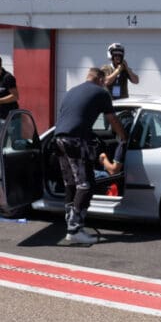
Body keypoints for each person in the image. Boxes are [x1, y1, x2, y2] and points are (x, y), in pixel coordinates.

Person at [54, 67, 126, 245]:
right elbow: (112, 119)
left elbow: (68, 116)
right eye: (104, 81)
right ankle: (75, 229)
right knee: (86, 184)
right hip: (76, 141)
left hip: (59, 139)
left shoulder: (71, 91)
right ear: (100, 79)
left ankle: (71, 224)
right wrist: (123, 137)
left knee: (71, 183)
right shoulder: (101, 93)